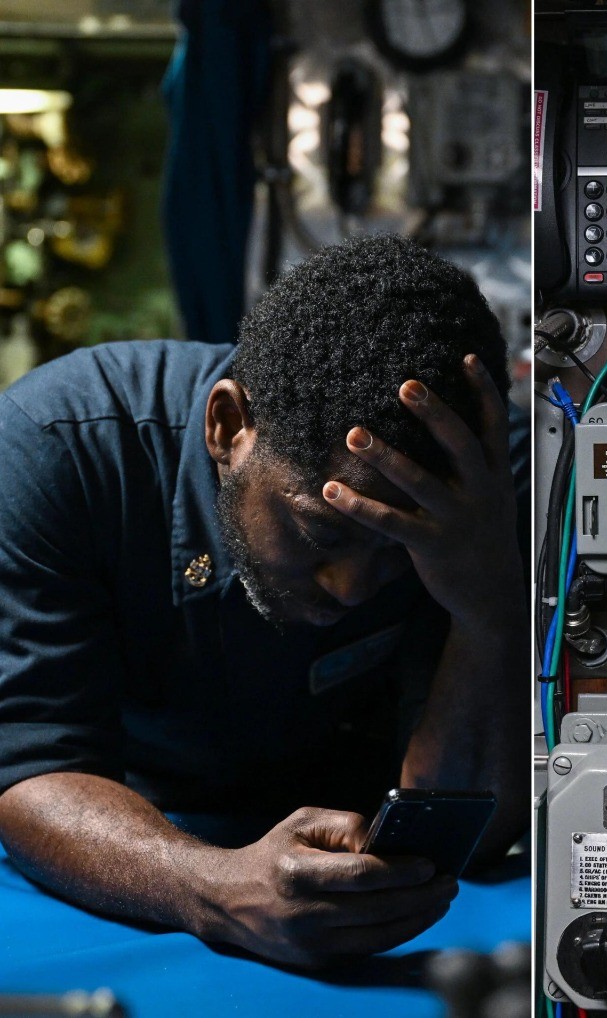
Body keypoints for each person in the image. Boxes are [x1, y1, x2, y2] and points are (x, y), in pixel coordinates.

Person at [0, 234, 531, 968]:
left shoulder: (484, 489)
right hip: (141, 834)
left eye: (399, 549)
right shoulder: (62, 448)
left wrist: (488, 601)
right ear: (227, 426)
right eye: (322, 532)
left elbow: (468, 827)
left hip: (375, 864)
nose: (350, 587)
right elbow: (31, 769)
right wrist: (210, 886)